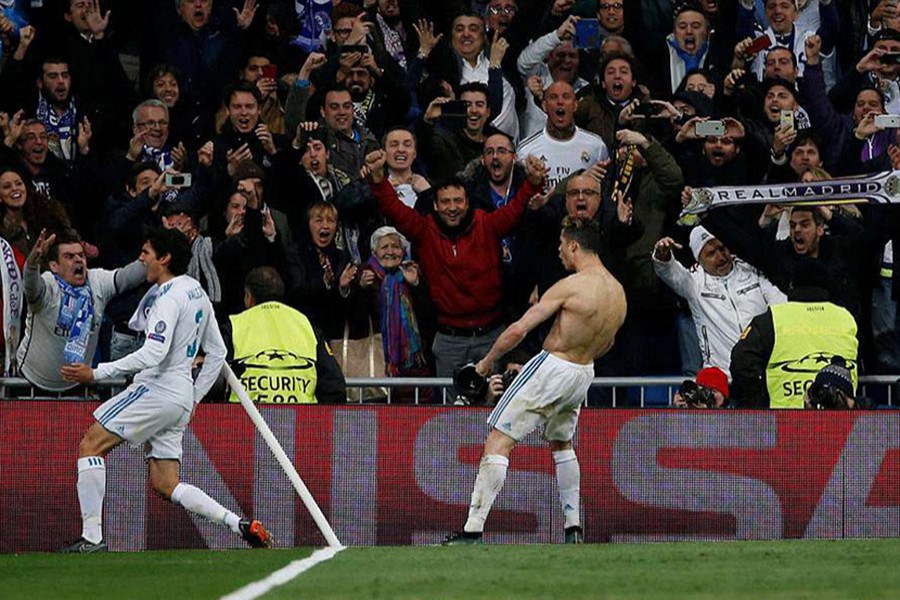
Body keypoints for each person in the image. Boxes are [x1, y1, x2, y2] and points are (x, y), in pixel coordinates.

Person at [58, 228, 271, 552]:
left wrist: (97, 372)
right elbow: (217, 353)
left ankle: (91, 538)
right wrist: (194, 397)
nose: (141, 259)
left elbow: (154, 354)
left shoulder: (167, 297)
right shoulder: (195, 291)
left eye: (146, 253)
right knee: (166, 483)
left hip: (157, 387)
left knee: (91, 445)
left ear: (165, 258)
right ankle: (237, 525)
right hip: (181, 394)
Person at [443, 215, 626, 545]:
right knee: (562, 443)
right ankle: (573, 528)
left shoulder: (571, 285)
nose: (558, 252)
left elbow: (518, 329)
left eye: (561, 245)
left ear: (574, 245)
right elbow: (609, 343)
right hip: (584, 371)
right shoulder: (618, 292)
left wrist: (484, 366)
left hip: (553, 366)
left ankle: (472, 530)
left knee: (498, 440)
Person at [16, 230, 146, 393]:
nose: (78, 259)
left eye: (81, 255)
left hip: (77, 386)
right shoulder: (48, 284)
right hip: (30, 383)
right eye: (69, 257)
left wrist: (151, 255)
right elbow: (30, 287)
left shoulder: (97, 281)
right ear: (54, 266)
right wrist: (33, 262)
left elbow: (128, 277)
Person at [652, 226, 786, 377]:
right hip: (722, 378)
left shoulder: (751, 270)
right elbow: (673, 274)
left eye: (722, 249)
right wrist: (663, 256)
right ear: (699, 260)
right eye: (711, 254)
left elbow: (782, 306)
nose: (721, 257)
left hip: (765, 371)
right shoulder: (695, 283)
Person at [222, 266, 345, 404]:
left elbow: (212, 377)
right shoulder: (306, 325)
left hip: (245, 421)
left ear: (249, 297)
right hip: (301, 422)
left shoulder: (235, 325)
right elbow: (334, 385)